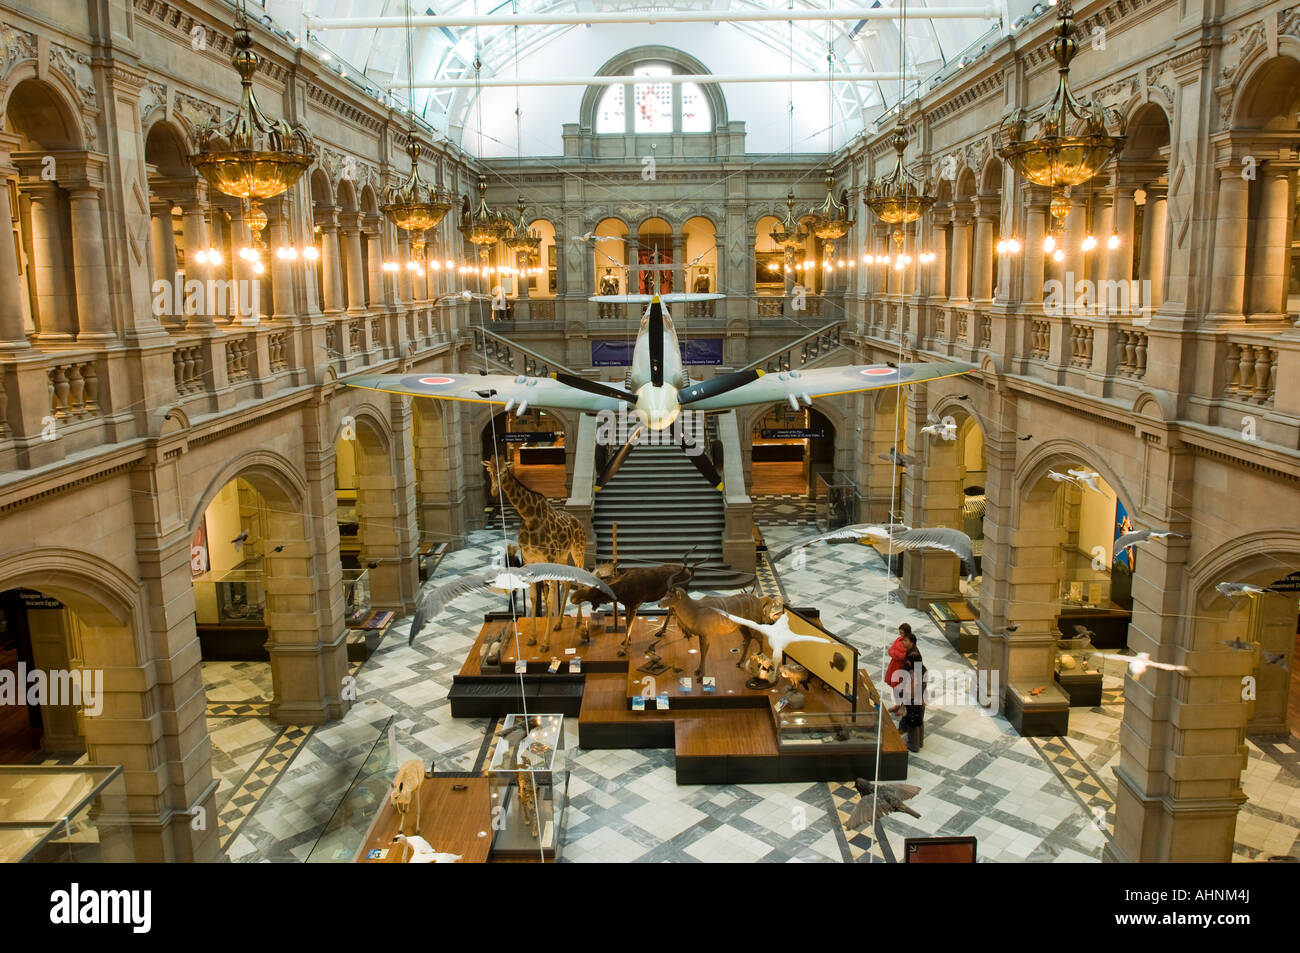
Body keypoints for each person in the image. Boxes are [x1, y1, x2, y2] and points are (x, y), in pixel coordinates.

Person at [897, 631, 926, 752]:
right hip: (917, 694)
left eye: (905, 640)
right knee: (918, 718)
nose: (903, 642)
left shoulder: (914, 668)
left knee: (913, 719)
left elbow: (913, 686)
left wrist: (905, 702)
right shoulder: (913, 655)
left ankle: (913, 745)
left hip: (914, 695)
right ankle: (919, 742)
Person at [885, 622, 911, 715]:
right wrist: (895, 653)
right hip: (894, 666)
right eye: (900, 633)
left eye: (902, 633)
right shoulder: (899, 639)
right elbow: (890, 650)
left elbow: (904, 656)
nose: (900, 635)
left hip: (902, 668)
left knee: (902, 688)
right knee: (894, 686)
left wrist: (895, 654)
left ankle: (903, 707)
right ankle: (897, 704)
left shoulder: (910, 643)